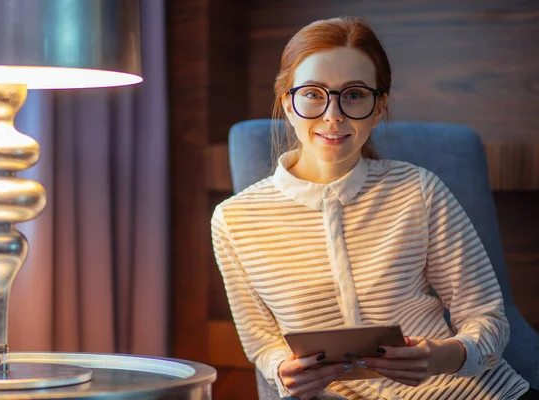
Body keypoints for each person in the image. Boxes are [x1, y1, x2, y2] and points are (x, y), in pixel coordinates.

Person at [211, 16, 537, 400]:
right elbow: (262, 343)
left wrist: (443, 357)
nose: (333, 115)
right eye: (313, 93)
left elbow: (489, 319)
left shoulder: (419, 190)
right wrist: (281, 370)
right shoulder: (234, 220)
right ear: (287, 102)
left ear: (378, 106)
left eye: (354, 95)